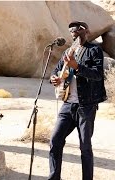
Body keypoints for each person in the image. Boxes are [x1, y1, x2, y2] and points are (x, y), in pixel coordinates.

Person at [49, 21, 107, 180]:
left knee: (85, 146)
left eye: (77, 31)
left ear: (86, 32)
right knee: (55, 141)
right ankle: (54, 177)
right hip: (68, 104)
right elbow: (57, 70)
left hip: (86, 106)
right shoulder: (68, 51)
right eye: (71, 32)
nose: (73, 33)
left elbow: (97, 74)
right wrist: (54, 78)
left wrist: (77, 67)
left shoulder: (94, 50)